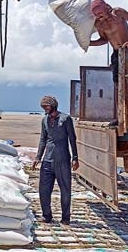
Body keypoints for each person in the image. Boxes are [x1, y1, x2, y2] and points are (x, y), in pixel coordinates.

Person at [32, 96, 79, 225]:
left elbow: (72, 139)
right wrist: (38, 157)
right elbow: (43, 140)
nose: (45, 109)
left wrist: (75, 158)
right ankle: (47, 216)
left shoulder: (65, 119)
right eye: (43, 107)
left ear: (53, 105)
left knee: (65, 190)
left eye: (47, 106)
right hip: (47, 161)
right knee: (44, 190)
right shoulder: (44, 120)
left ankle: (65, 217)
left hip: (63, 160)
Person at [89, 0, 128, 83]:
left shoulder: (117, 12)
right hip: (117, 52)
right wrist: (89, 43)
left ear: (106, 8)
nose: (99, 16)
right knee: (118, 82)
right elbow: (104, 40)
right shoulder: (99, 24)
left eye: (100, 13)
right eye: (96, 15)